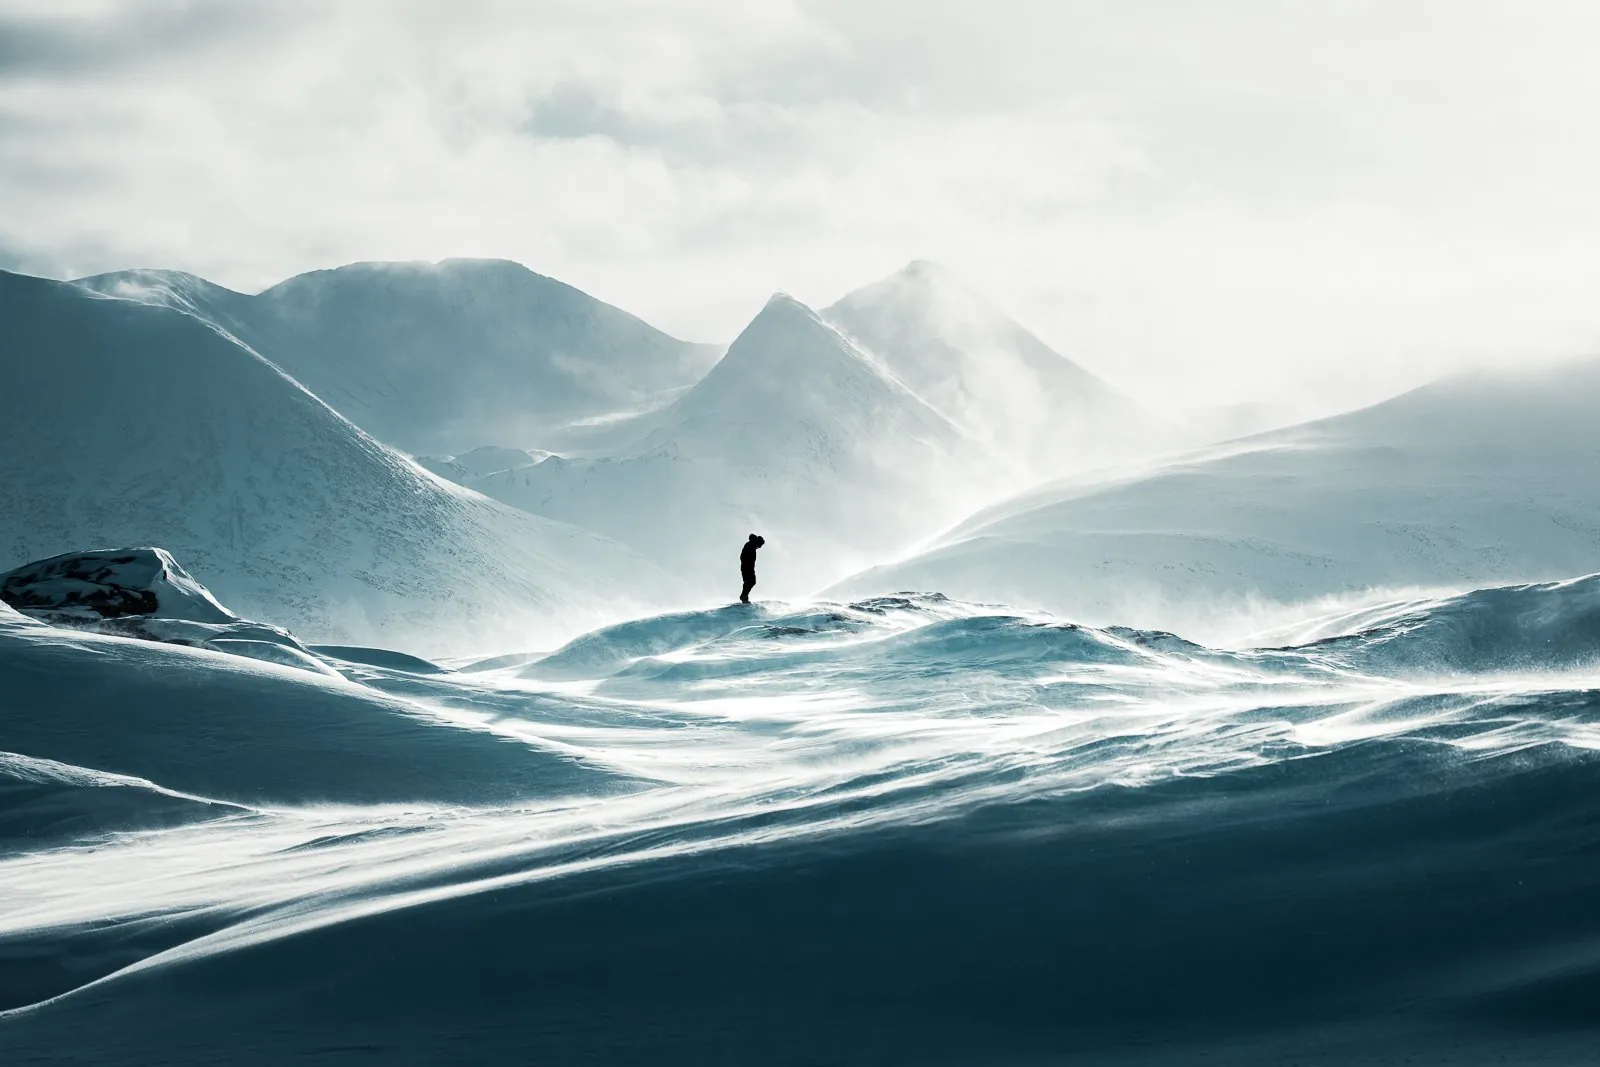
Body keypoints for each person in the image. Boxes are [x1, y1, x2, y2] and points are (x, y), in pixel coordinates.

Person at [739, 533, 765, 603]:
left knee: (750, 581)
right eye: (760, 545)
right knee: (750, 581)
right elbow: (742, 557)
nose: (760, 547)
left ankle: (744, 596)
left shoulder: (752, 546)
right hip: (747, 567)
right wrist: (747, 565)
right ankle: (744, 596)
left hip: (748, 567)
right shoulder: (750, 546)